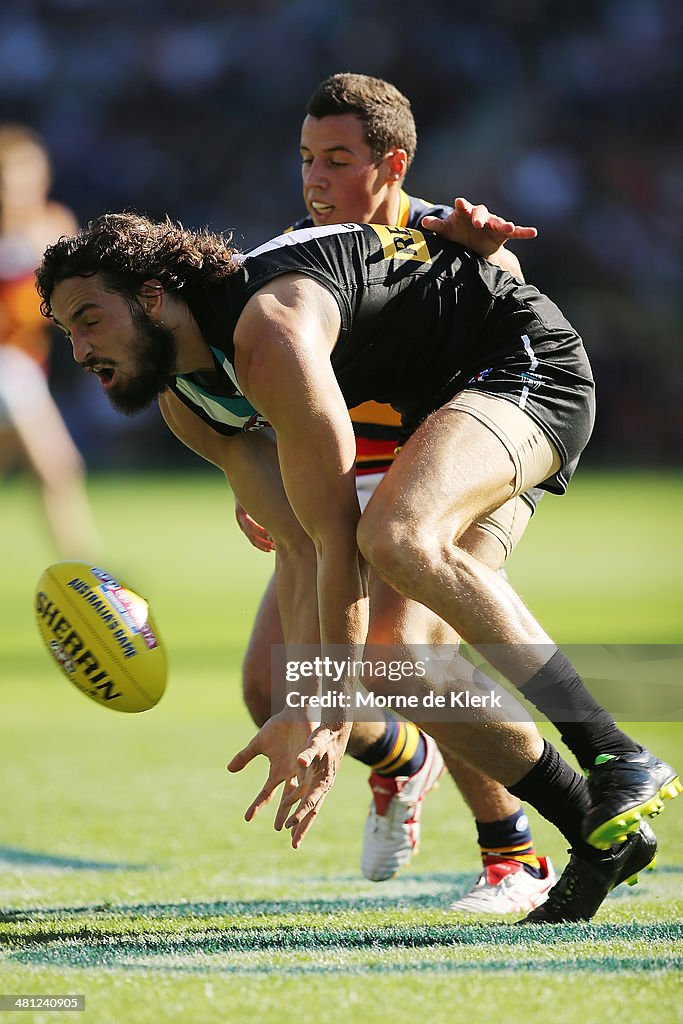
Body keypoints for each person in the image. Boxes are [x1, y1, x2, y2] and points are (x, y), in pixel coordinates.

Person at [36, 208, 678, 922]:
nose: (78, 350)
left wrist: (328, 714)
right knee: (392, 658)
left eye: (89, 319)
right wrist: (304, 700)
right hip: (438, 418)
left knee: (395, 536)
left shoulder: (267, 334)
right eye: (67, 331)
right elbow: (303, 547)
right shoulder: (188, 403)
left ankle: (611, 751)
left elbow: (338, 537)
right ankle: (594, 830)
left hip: (524, 365)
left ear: (153, 298)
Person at [235, 73, 554, 913]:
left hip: (451, 475)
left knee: (402, 658)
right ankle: (405, 760)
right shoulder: (295, 254)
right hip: (351, 482)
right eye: (306, 158)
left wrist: (488, 253)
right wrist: (262, 478)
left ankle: (512, 857)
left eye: (337, 160)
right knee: (275, 688)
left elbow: (512, 307)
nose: (314, 179)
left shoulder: (446, 237)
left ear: (391, 165)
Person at [0, 124, 100, 560]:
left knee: (54, 469)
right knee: (55, 464)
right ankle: (87, 571)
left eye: (25, 177)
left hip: (25, 366)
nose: (15, 190)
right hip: (10, 369)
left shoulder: (53, 226)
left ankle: (83, 569)